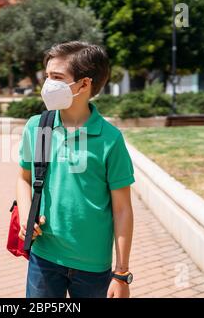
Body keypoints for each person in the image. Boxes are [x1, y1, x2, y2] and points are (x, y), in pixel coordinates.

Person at [17, 41, 136, 298]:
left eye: (57, 77)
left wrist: (121, 273)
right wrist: (27, 215)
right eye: (47, 76)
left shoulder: (110, 139)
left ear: (84, 84)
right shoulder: (37, 127)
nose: (48, 84)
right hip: (44, 258)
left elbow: (122, 208)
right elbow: (24, 179)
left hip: (93, 267)